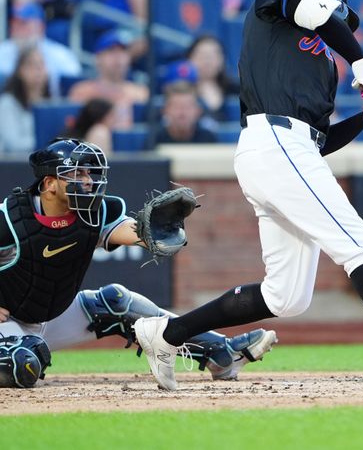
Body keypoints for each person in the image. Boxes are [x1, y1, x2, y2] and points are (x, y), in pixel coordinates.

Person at [133, 0, 363, 393]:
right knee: (359, 246)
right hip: (273, 143)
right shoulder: (275, 4)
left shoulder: (321, 70)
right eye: (339, 15)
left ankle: (168, 334)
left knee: (286, 296)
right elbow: (312, 11)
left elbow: (320, 141)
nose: (340, 24)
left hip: (285, 152)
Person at [0, 138, 278, 388]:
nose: (87, 181)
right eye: (75, 174)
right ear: (49, 184)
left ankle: (221, 351)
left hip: (53, 314)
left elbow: (131, 232)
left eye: (88, 173)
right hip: (8, 321)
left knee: (114, 301)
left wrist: (152, 231)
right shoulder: (10, 219)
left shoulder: (94, 212)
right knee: (22, 365)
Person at [68, 31, 148, 131]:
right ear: (98, 58)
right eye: (111, 51)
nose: (118, 57)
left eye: (123, 51)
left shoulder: (141, 93)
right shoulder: (82, 92)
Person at [0, 3, 81, 97]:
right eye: (14, 23)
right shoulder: (2, 51)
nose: (16, 28)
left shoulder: (60, 55)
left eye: (23, 23)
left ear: (41, 27)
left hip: (48, 106)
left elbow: (74, 83)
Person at [0, 46, 50, 154]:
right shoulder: (7, 103)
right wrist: (49, 143)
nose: (38, 70)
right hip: (15, 166)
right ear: (20, 70)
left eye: (41, 64)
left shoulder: (52, 104)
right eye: (32, 65)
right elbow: (14, 144)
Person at [187, 35, 236, 122]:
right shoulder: (180, 91)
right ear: (189, 59)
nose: (207, 61)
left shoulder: (238, 90)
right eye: (202, 55)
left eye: (213, 56)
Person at [152, 81, 219, 145]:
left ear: (198, 111)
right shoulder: (154, 139)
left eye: (188, 106)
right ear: (165, 110)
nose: (182, 112)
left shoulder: (208, 139)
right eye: (176, 106)